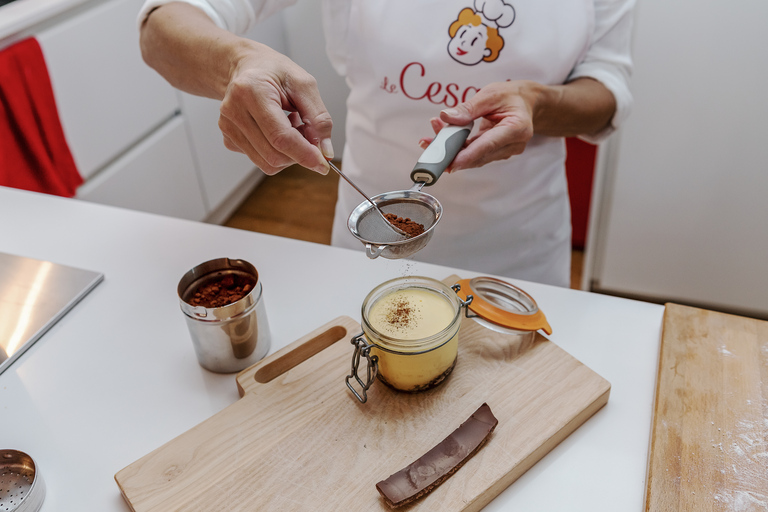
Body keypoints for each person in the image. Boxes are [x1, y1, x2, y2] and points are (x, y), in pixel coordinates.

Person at [138, 0, 634, 287]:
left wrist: (536, 103)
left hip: (520, 250)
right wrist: (236, 61)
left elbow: (607, 89)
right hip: (373, 248)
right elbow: (162, 26)